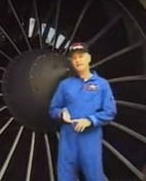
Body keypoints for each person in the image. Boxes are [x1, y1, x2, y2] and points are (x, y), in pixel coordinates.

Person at [49, 42, 117, 181]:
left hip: (90, 140)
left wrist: (90, 120)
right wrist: (61, 113)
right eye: (74, 58)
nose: (78, 60)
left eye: (81, 56)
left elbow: (110, 112)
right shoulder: (65, 85)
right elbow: (53, 109)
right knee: (65, 177)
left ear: (89, 58)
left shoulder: (102, 85)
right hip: (68, 140)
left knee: (94, 177)